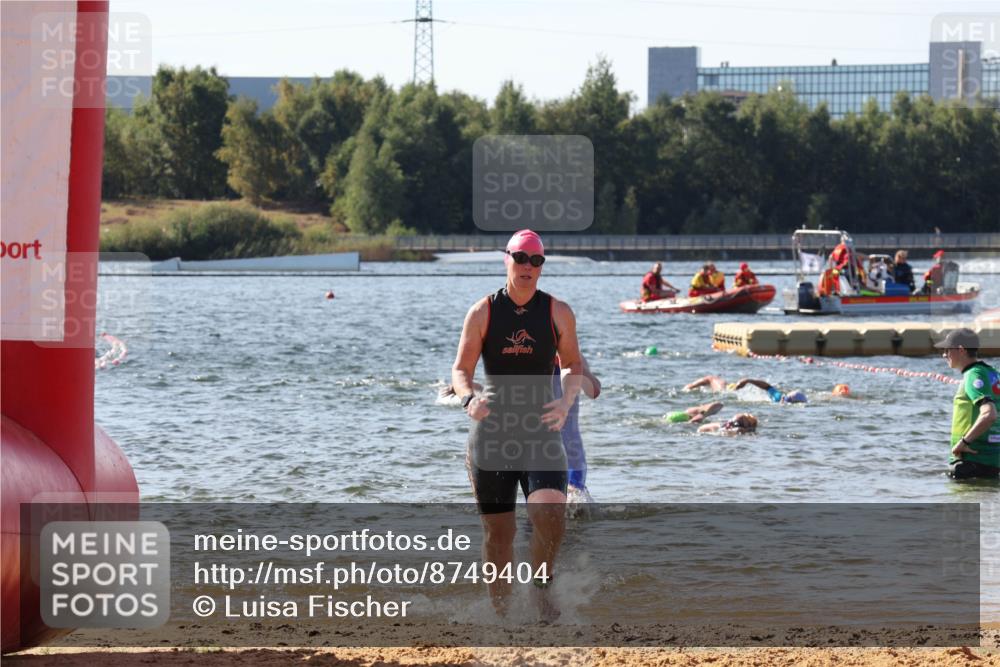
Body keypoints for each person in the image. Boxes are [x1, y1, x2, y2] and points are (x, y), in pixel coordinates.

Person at [451, 229, 583, 620]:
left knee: (550, 516)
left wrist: (565, 401)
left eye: (536, 260)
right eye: (521, 258)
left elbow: (573, 364)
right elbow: (461, 369)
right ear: (506, 259)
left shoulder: (557, 311)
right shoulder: (483, 312)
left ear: (542, 267)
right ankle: (502, 614)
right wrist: (469, 399)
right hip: (491, 434)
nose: (527, 267)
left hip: (541, 429)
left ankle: (542, 589)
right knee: (499, 534)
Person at [934, 328, 1000, 480]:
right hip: (992, 461)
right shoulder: (993, 374)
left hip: (970, 462)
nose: (944, 355)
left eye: (947, 350)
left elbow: (989, 414)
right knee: (986, 502)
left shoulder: (973, 375)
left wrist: (963, 442)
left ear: (961, 350)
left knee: (961, 503)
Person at [733, 378, 808, 404]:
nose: (782, 400)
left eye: (785, 399)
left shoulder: (779, 399)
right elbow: (767, 387)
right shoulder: (778, 397)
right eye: (784, 398)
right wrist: (749, 380)